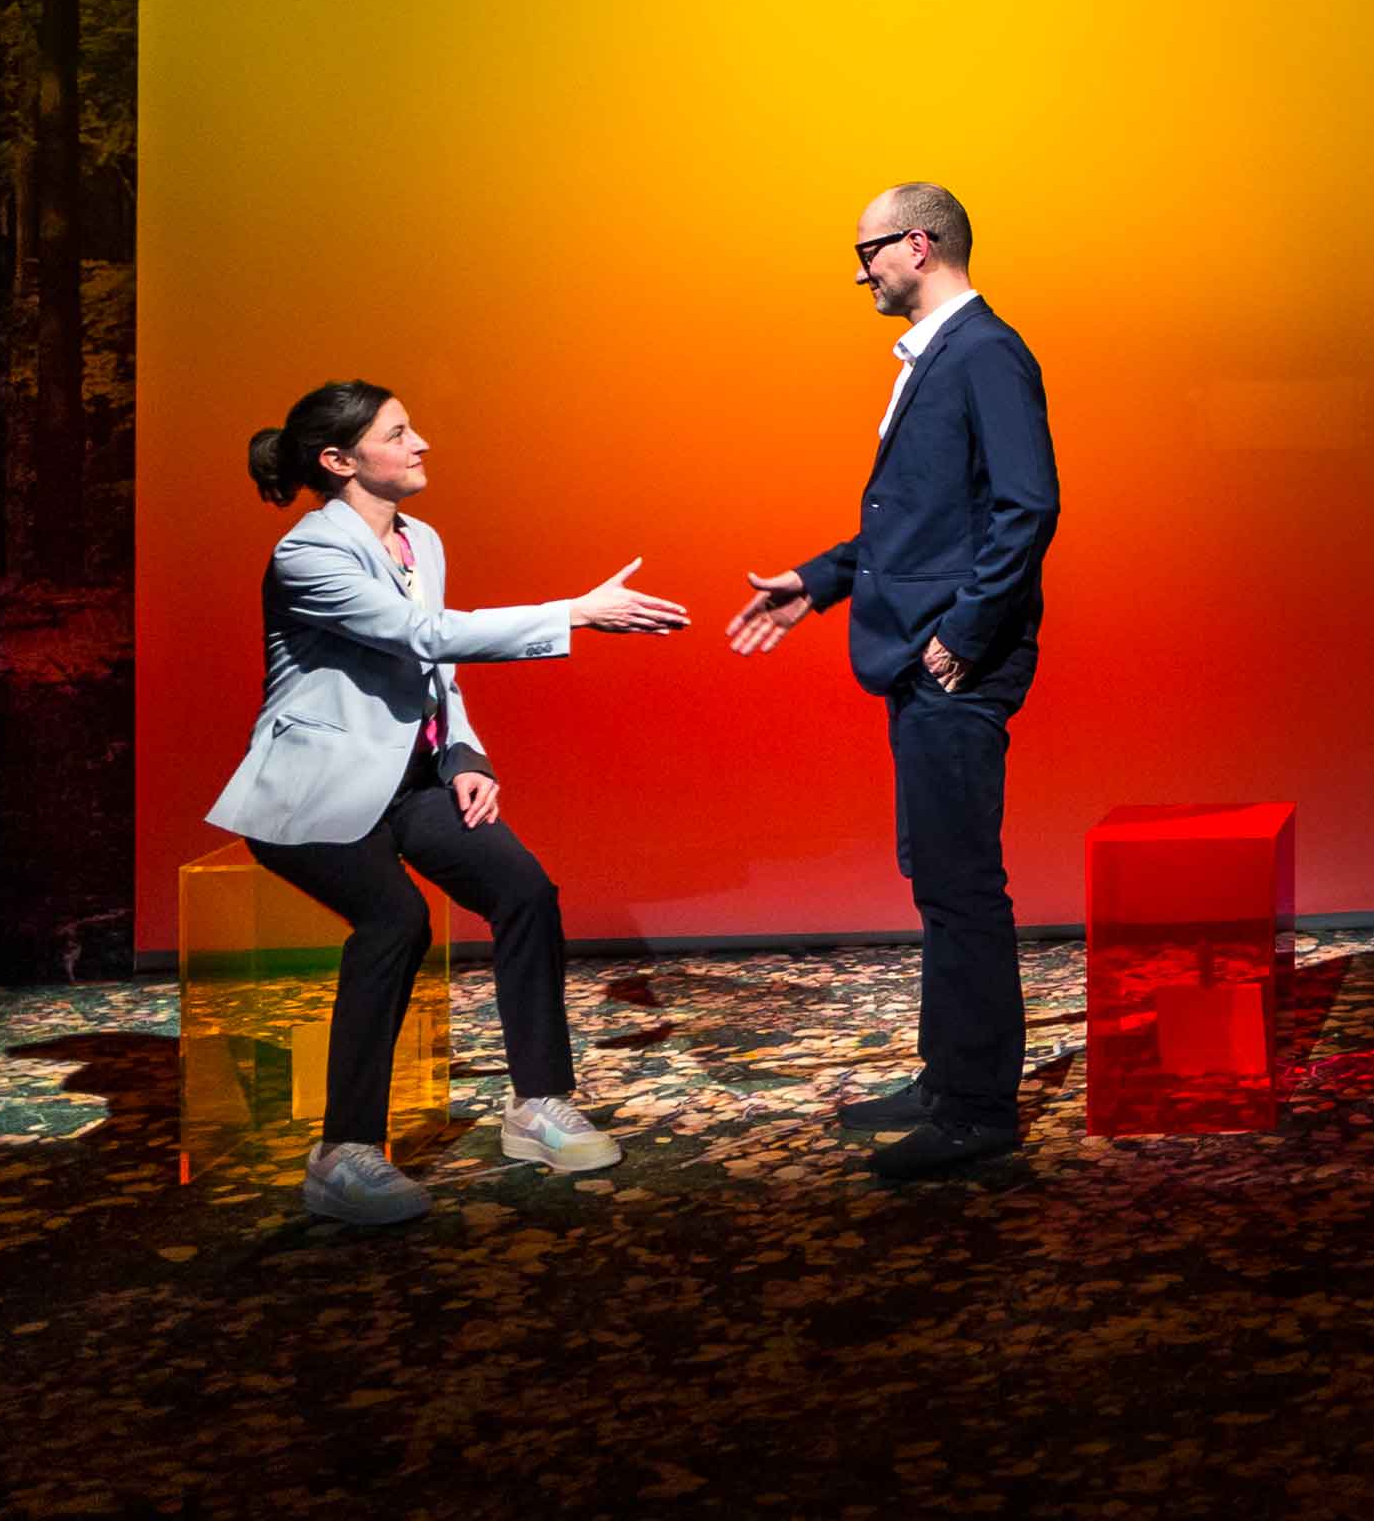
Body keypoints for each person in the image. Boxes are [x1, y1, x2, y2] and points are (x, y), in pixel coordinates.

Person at [211, 380, 690, 1225]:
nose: (422, 442)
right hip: (314, 792)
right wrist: (575, 612)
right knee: (395, 920)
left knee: (524, 891)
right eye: (399, 433)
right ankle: (343, 1153)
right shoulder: (308, 554)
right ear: (340, 460)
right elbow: (423, 635)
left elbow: (434, 674)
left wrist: (463, 752)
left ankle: (539, 1105)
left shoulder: (418, 540)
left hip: (410, 780)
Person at [727, 182, 1061, 1177]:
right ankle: (946, 1076)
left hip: (954, 660)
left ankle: (978, 1108)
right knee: (938, 877)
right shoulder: (943, 355)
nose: (860, 270)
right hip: (921, 651)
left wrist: (961, 634)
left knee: (961, 885)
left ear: (919, 244)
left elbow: (1025, 508)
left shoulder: (986, 353)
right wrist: (819, 581)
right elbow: (915, 518)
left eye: (867, 249)